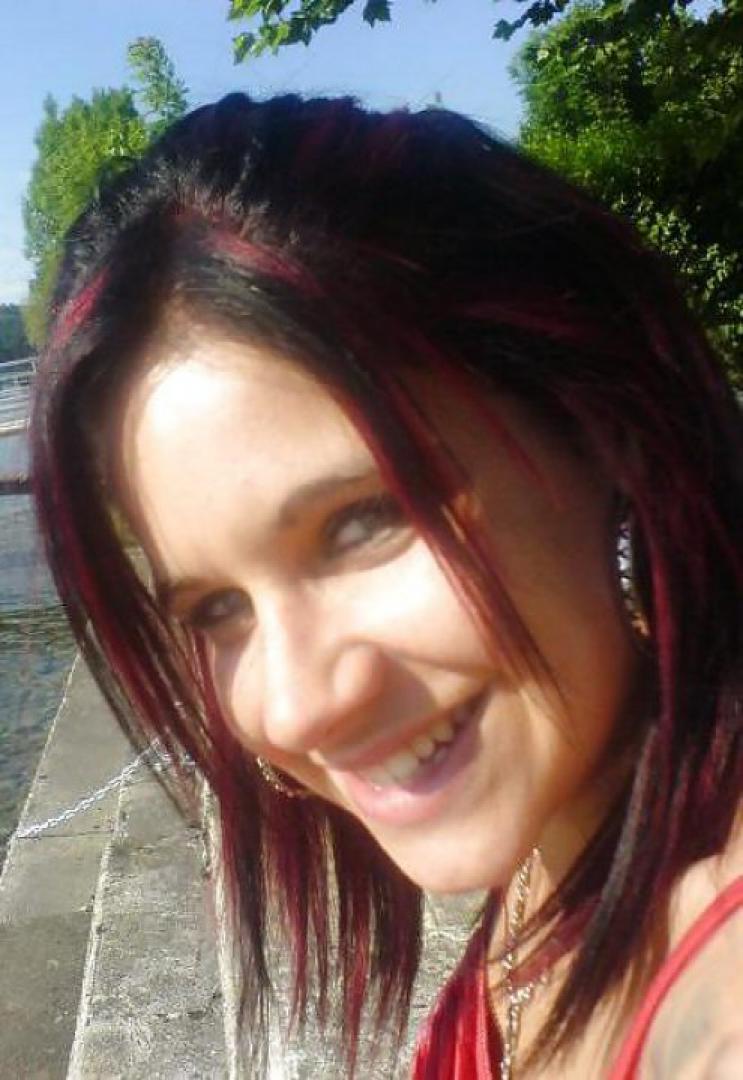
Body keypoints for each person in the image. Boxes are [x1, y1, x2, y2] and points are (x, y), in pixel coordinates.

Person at [30, 93, 742, 1078]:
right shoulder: (568, 845)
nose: (296, 705)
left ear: (601, 424)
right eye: (218, 609)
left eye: (363, 522)